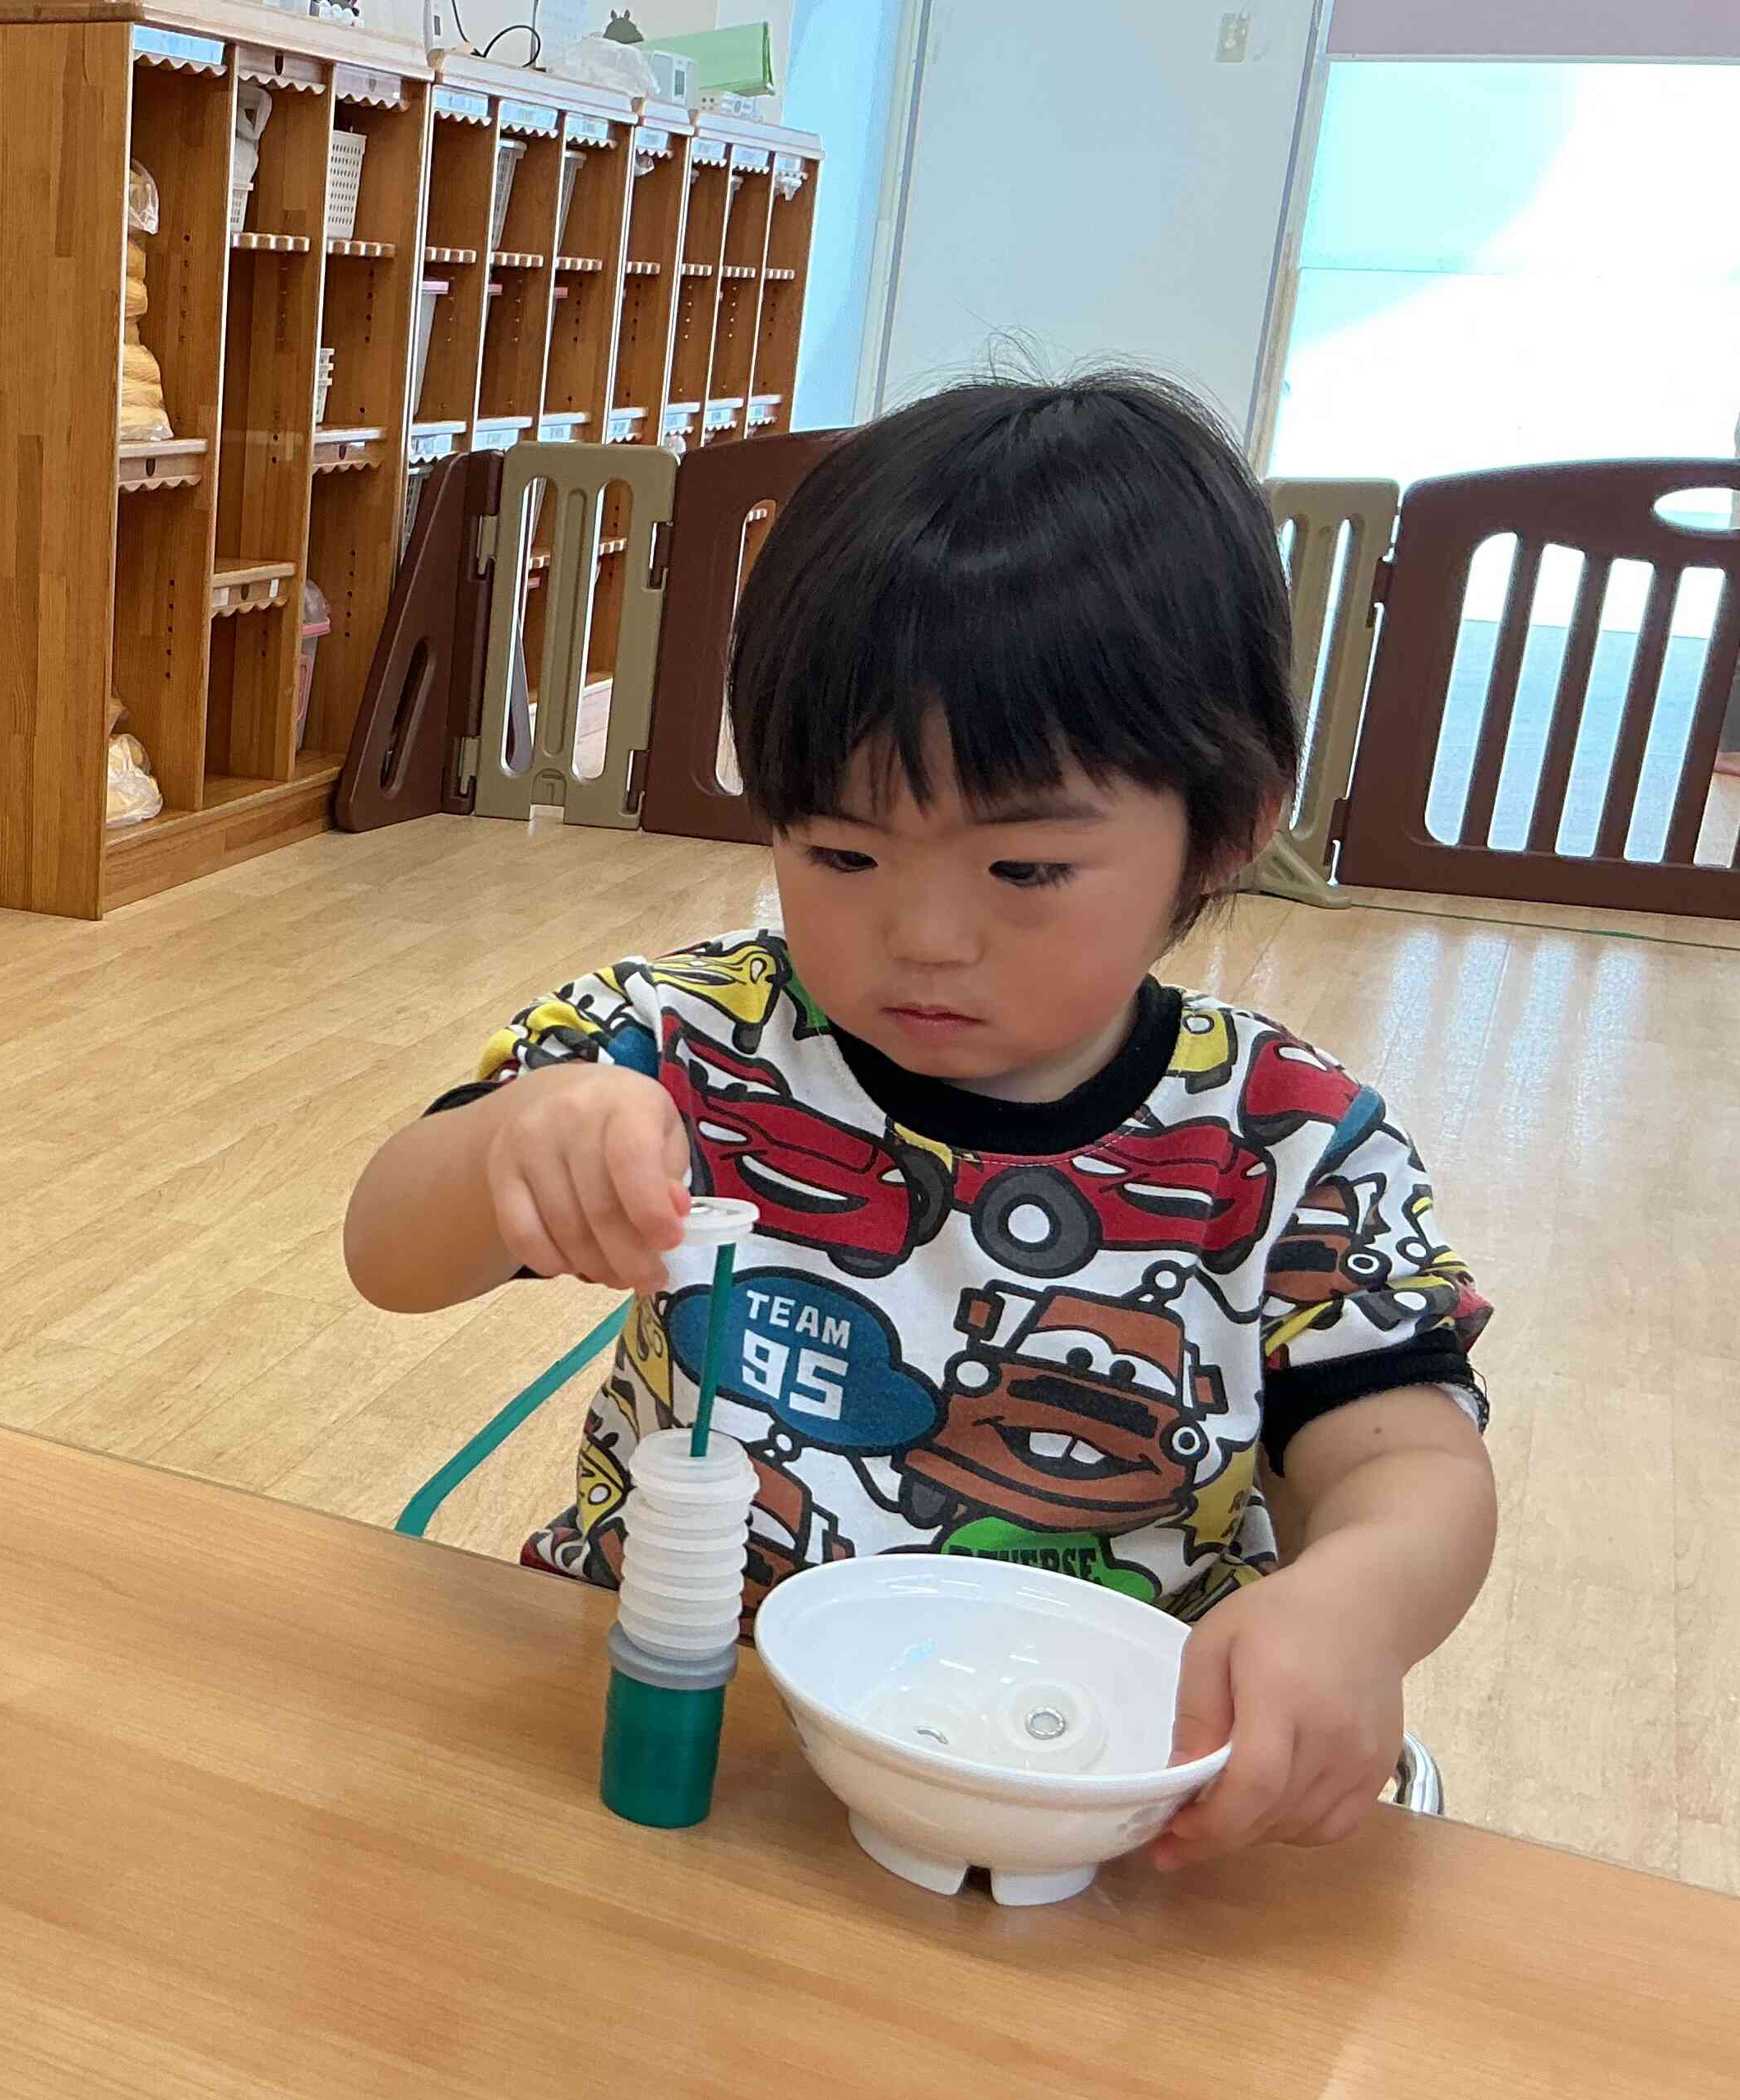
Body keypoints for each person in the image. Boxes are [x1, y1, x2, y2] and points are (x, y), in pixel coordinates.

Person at [342, 374, 1496, 1869]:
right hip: (689, 1724)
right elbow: (387, 1248)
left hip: (1088, 1787)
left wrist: (1359, 1604)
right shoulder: (691, 1043)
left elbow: (1412, 1458)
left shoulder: (1285, 1144)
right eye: (840, 850)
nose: (925, 937)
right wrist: (521, 1141)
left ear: (1225, 825)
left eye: (1023, 871)